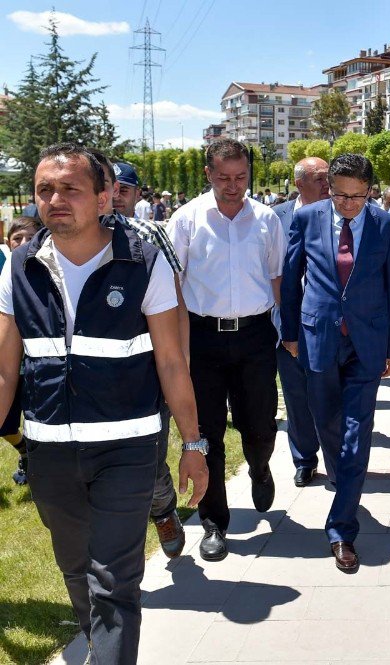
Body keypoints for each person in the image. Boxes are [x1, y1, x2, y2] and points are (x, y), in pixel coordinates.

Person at [0, 143, 208, 664]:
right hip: (48, 453)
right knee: (75, 568)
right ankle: (100, 642)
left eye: (70, 188)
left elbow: (172, 364)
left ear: (104, 196)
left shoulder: (142, 263)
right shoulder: (18, 268)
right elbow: (5, 369)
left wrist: (193, 443)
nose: (55, 199)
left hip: (127, 450)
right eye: (45, 189)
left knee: (115, 581)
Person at [281, 154, 390, 573]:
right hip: (319, 337)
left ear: (370, 190)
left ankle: (341, 529)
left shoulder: (387, 225)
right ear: (327, 187)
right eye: (340, 195)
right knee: (326, 422)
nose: (349, 204)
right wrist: (291, 335)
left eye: (358, 196)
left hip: (366, 342)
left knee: (356, 432)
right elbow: (292, 276)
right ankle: (344, 479)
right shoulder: (308, 219)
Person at [168, 139, 287, 562]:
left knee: (260, 423)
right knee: (207, 432)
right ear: (208, 174)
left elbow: (276, 277)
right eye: (224, 178)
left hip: (254, 336)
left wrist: (284, 329)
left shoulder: (267, 219)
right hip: (203, 339)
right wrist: (177, 345)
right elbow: (173, 286)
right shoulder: (186, 221)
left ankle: (259, 466)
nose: (233, 186)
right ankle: (214, 522)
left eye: (241, 178)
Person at [97, 155, 191, 559]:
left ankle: (163, 508)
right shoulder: (67, 238)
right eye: (109, 188)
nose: (116, 197)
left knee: (148, 458)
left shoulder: (149, 234)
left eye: (125, 190)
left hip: (147, 370)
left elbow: (175, 298)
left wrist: (181, 359)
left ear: (137, 195)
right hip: (93, 372)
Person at [271, 157, 329, 488]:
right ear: (298, 184)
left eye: (328, 178)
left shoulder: (338, 216)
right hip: (285, 323)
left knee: (328, 396)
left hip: (327, 323)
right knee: (295, 397)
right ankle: (305, 459)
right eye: (319, 178)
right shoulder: (273, 218)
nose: (326, 184)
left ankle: (335, 455)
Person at [1, 216, 43, 486]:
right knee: (5, 424)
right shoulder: (7, 273)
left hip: (35, 364)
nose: (24, 244)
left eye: (30, 238)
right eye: (18, 239)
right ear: (8, 242)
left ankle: (36, 465)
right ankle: (25, 451)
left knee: (36, 420)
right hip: (8, 364)